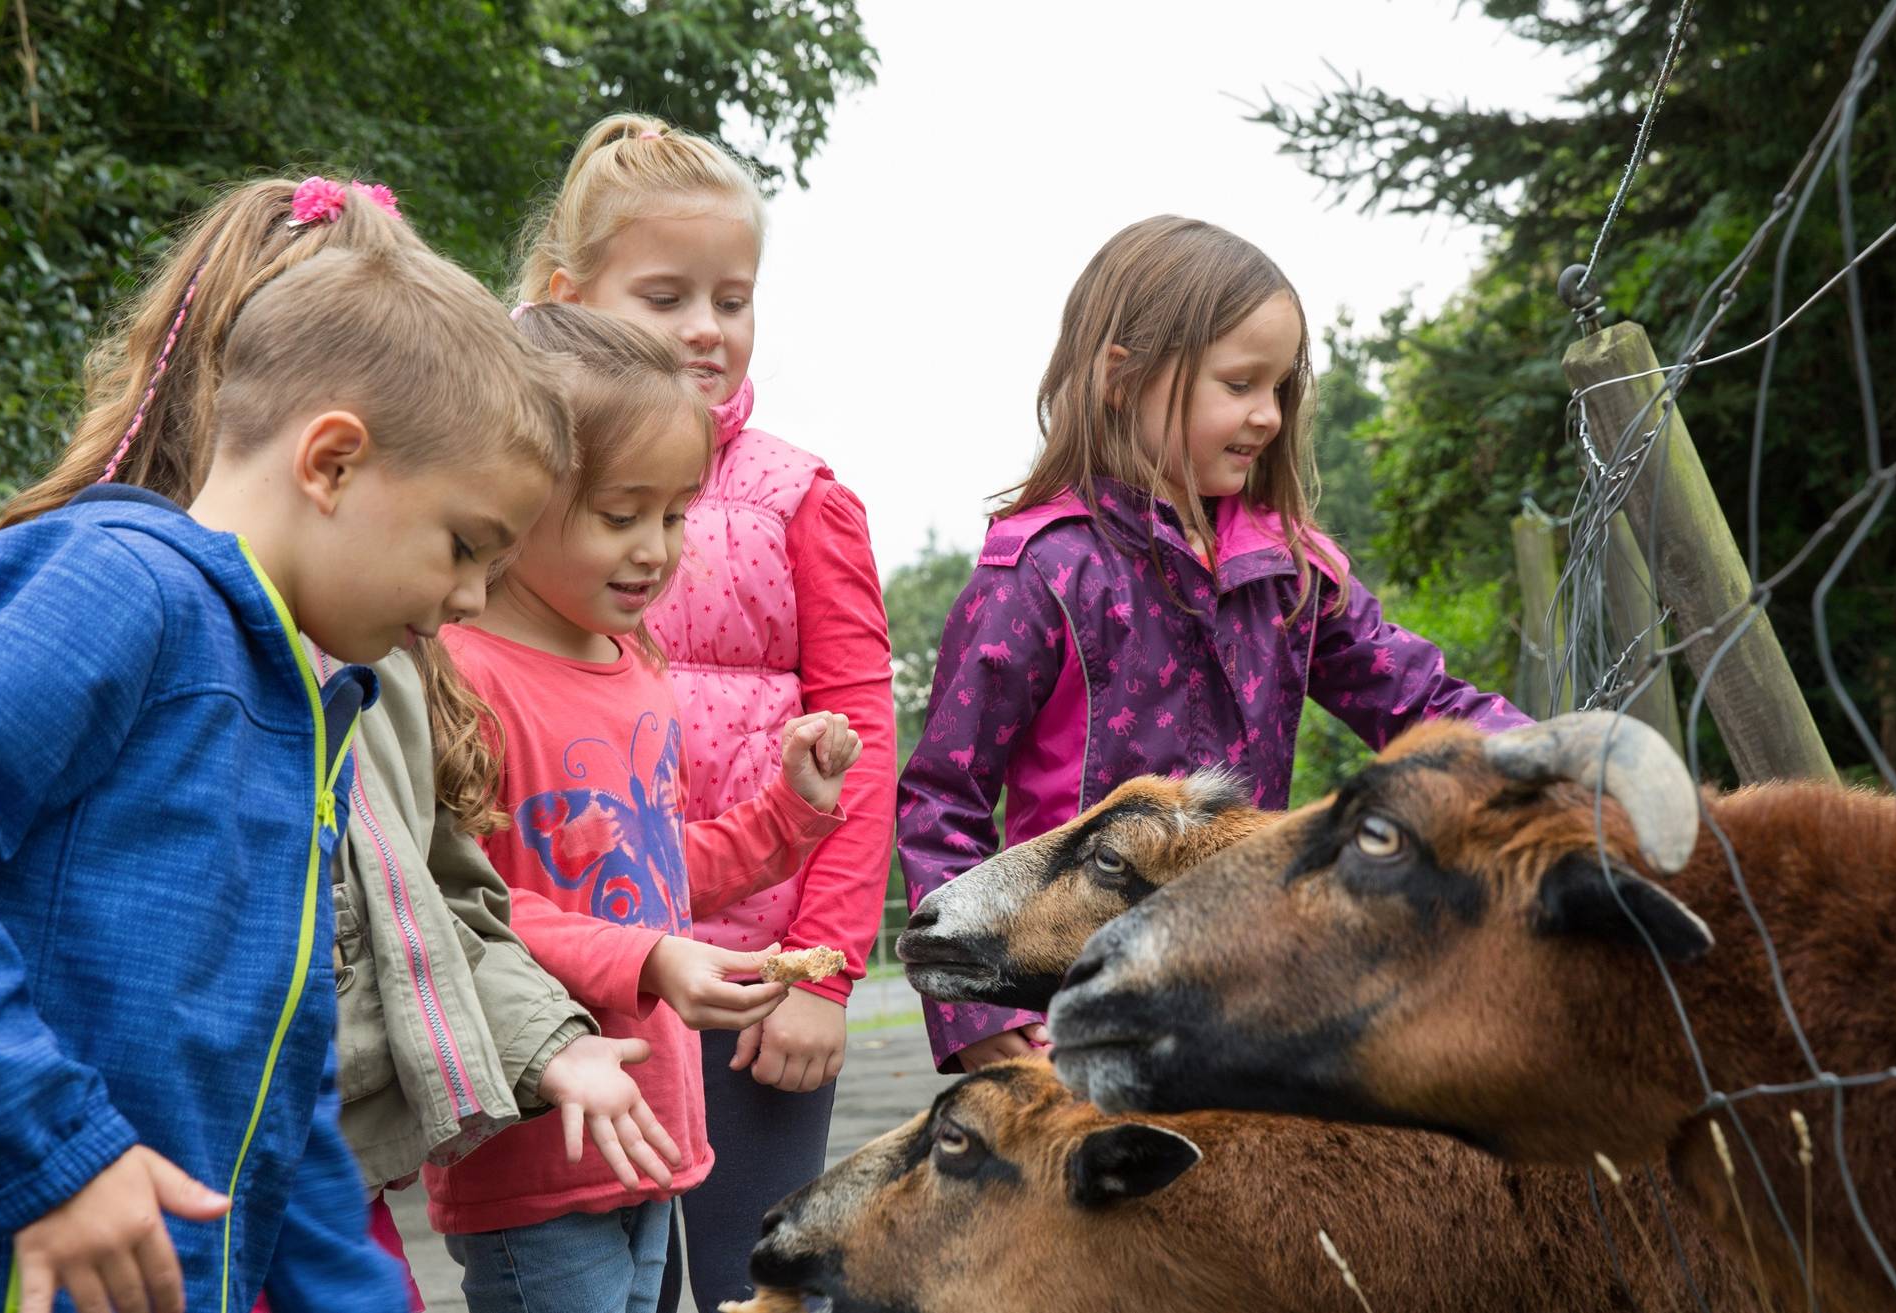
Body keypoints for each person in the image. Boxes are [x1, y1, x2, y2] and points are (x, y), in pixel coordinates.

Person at [2, 175, 683, 1312]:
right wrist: (50, 1141)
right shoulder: (98, 587)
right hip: (37, 1233)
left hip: (227, 1221)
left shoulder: (316, 691)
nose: (475, 599)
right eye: (466, 544)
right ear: (330, 457)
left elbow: (277, 1059)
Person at [898, 215, 1532, 1074]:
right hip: (1070, 1014)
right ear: (1124, 378)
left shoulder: (1294, 570)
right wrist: (976, 1016)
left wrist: (1550, 768)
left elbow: (1420, 702)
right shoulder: (1041, 572)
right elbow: (944, 796)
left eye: (1280, 388)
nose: (1269, 415)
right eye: (1240, 384)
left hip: (1243, 1002)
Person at [514, 113, 896, 1311]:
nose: (706, 329)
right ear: (570, 296)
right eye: (665, 294)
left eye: (733, 299)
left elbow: (861, 737)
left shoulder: (801, 498)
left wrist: (825, 975)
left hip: (756, 978)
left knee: (756, 1276)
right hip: (556, 975)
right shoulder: (505, 491)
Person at [428, 302, 862, 1313]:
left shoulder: (634, 668)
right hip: (537, 1141)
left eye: (673, 516)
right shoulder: (462, 672)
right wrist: (652, 960)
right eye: (619, 515)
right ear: (515, 498)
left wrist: (790, 814)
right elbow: (467, 908)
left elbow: (654, 874)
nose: (656, 550)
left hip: (653, 1127)